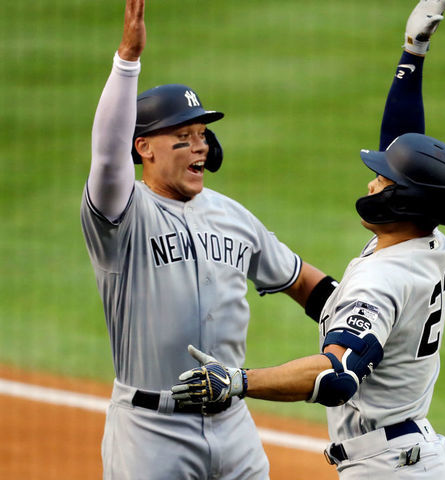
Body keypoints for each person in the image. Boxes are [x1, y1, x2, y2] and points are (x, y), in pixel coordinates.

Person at [171, 1, 445, 479]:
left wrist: (238, 381)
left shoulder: (382, 280)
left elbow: (336, 376)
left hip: (389, 470)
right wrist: (412, 53)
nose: (372, 182)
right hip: (410, 456)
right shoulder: (426, 244)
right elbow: (406, 148)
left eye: (384, 181)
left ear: (405, 205)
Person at [80, 0, 338, 478]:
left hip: (233, 421)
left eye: (202, 134)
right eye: (183, 135)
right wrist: (127, 61)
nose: (199, 145)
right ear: (144, 148)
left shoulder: (233, 216)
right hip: (151, 433)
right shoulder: (122, 216)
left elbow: (300, 278)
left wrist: (356, 318)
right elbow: (107, 156)